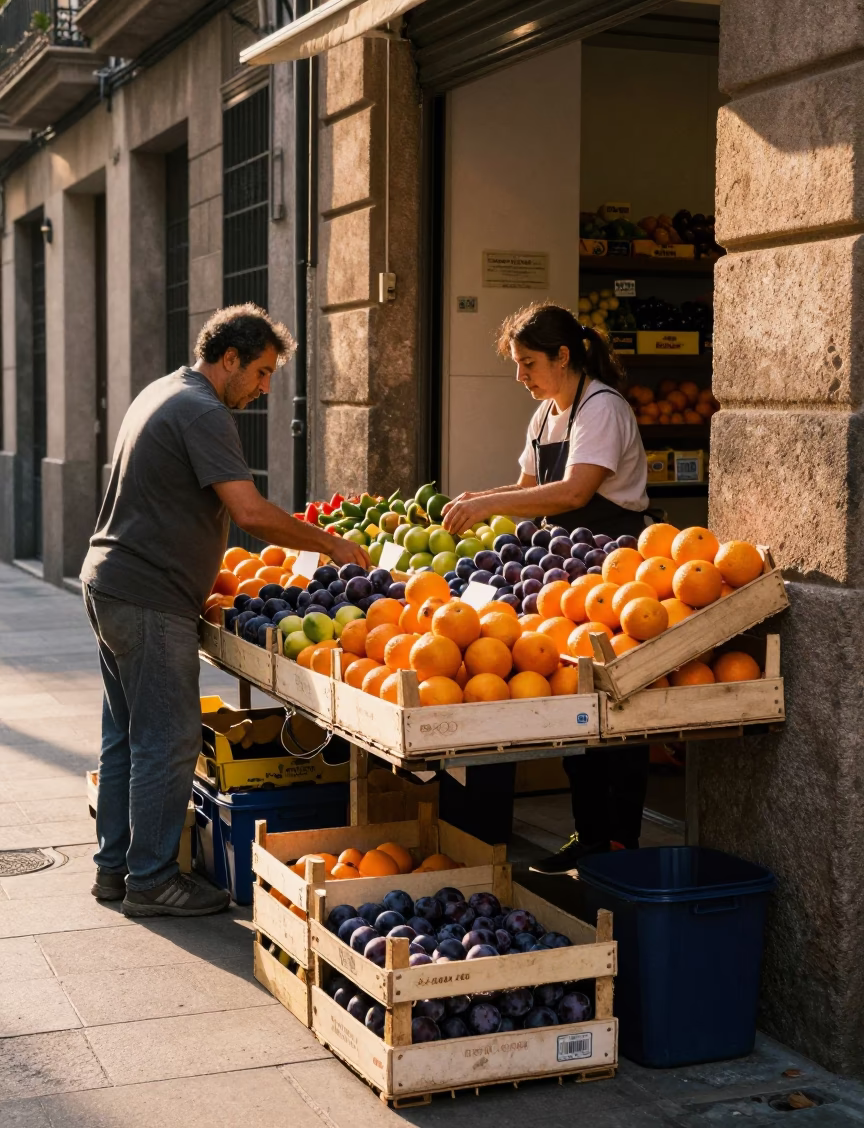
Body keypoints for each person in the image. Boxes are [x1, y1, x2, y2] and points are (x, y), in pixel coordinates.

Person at [80, 304, 370, 917]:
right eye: (262, 372)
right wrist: (331, 545)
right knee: (168, 738)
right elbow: (251, 513)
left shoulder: (165, 390)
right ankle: (153, 881)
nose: (265, 388)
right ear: (230, 358)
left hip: (112, 582)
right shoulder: (204, 410)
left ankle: (115, 871)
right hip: (148, 596)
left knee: (126, 736)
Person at [442, 302, 651, 873]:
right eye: (517, 364)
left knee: (618, 709)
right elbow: (527, 488)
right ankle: (589, 835)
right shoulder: (543, 417)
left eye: (528, 363)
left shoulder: (602, 408)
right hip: (562, 573)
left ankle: (619, 845)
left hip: (613, 568)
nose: (520, 377)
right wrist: (477, 506)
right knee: (573, 703)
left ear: (564, 356)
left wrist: (487, 503)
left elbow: (572, 494)